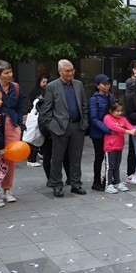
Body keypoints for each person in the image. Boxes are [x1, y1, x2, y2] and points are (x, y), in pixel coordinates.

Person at [42, 59, 88, 197]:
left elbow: (84, 105)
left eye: (72, 70)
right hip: (60, 127)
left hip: (77, 126)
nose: (70, 73)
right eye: (67, 71)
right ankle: (56, 184)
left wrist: (84, 122)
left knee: (76, 157)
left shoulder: (78, 84)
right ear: (60, 71)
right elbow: (46, 110)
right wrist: (52, 126)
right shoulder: (52, 86)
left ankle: (76, 184)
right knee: (57, 158)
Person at [0, 60, 24, 203]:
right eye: (6, 73)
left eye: (11, 72)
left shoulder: (16, 87)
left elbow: (20, 107)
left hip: (12, 126)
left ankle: (7, 190)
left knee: (10, 159)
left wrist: (20, 124)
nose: (10, 75)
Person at [103, 101, 136, 194]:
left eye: (121, 111)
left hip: (119, 146)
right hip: (110, 147)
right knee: (110, 166)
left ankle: (117, 182)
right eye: (117, 111)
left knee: (117, 166)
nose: (119, 113)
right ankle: (108, 184)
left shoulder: (123, 119)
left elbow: (131, 127)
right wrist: (128, 132)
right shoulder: (107, 118)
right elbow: (115, 128)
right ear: (111, 111)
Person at [88, 74, 115, 191]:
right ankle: (96, 181)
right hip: (98, 133)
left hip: (109, 133)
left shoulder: (111, 97)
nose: (107, 86)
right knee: (99, 157)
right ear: (97, 85)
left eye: (108, 84)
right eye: (104, 84)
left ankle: (108, 178)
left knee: (110, 157)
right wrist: (107, 129)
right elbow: (93, 118)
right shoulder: (94, 99)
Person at [26, 73, 50, 167]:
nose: (45, 84)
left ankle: (40, 155)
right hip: (37, 119)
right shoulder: (36, 93)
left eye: (46, 82)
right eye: (43, 82)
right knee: (35, 138)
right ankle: (31, 159)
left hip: (40, 119)